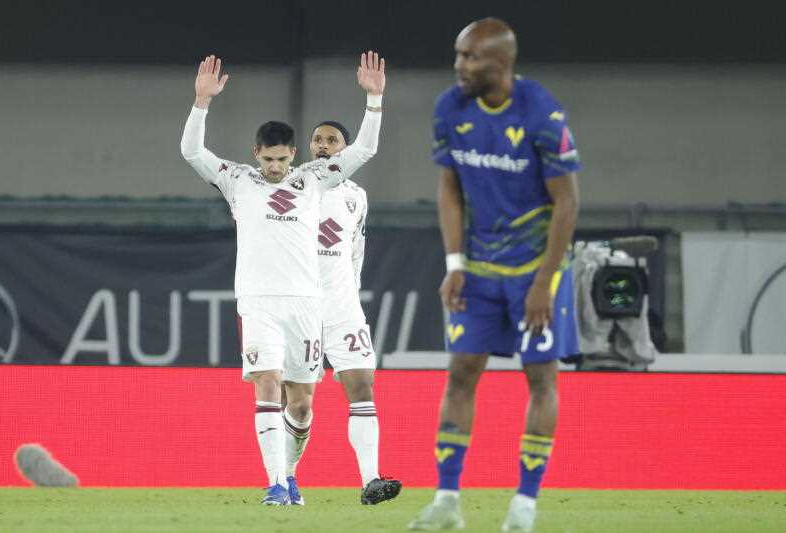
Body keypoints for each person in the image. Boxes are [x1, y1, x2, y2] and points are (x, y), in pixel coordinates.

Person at [180, 52, 385, 505]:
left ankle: (290, 476)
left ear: (293, 154)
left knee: (303, 404)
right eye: (268, 159)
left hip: (307, 304)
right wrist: (201, 102)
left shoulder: (313, 180)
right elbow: (192, 152)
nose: (274, 167)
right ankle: (276, 483)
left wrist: (374, 101)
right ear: (256, 154)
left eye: (281, 159)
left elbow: (364, 150)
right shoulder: (237, 180)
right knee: (267, 384)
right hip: (258, 303)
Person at [408, 18, 580, 532]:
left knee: (540, 378)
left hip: (533, 269)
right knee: (461, 372)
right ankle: (446, 502)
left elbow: (567, 202)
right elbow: (449, 188)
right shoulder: (450, 108)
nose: (459, 66)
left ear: (501, 64)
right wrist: (454, 263)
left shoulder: (541, 112)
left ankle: (524, 507)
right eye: (458, 55)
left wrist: (544, 282)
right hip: (479, 270)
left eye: (471, 57)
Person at [280, 120, 402, 505]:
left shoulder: (357, 197)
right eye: (317, 139)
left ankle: (371, 480)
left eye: (332, 140)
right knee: (299, 405)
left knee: (362, 384)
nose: (322, 145)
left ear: (345, 150)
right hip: (300, 307)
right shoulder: (290, 185)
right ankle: (285, 478)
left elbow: (355, 251)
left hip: (342, 306)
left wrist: (351, 293)